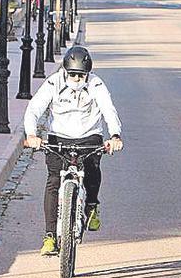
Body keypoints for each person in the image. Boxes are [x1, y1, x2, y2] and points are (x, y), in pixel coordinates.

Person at [23, 46, 123, 256]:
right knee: (53, 182)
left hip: (89, 135)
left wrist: (114, 136)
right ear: (65, 71)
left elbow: (108, 109)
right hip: (59, 137)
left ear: (88, 74)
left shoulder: (96, 83)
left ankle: (92, 204)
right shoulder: (54, 82)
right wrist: (31, 135)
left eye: (81, 75)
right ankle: (50, 236)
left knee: (93, 170)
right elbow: (34, 108)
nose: (77, 79)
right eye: (73, 74)